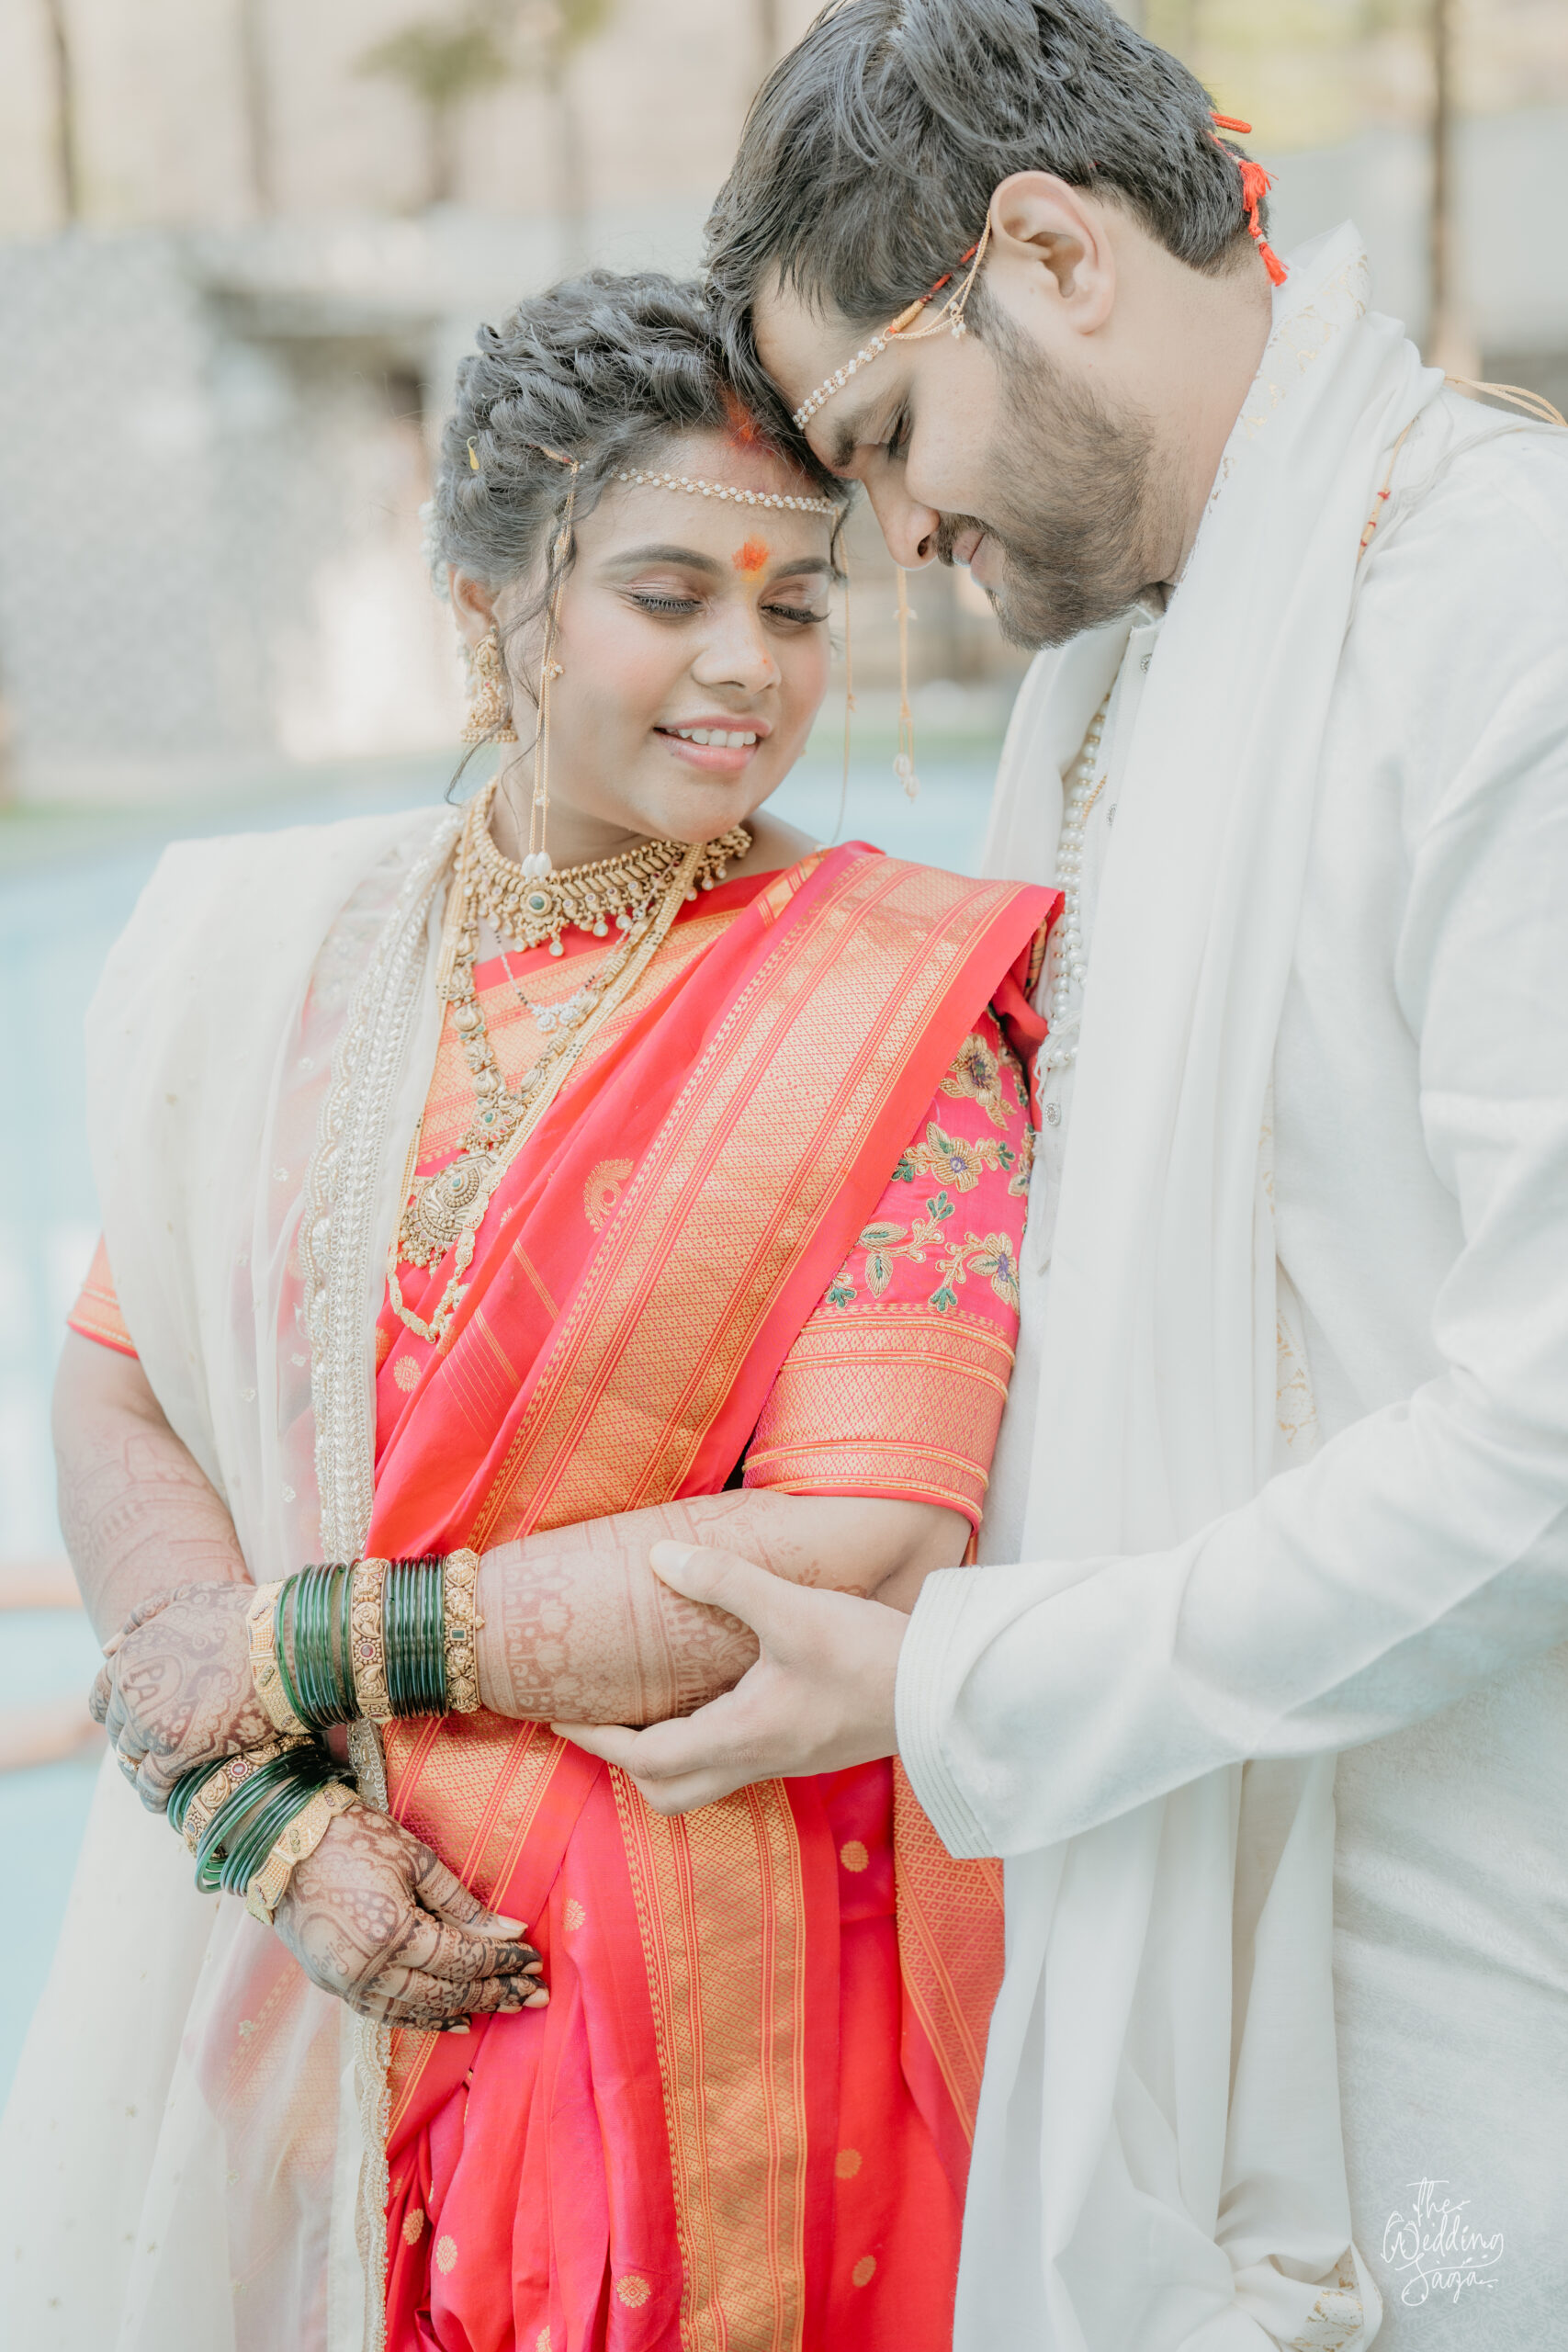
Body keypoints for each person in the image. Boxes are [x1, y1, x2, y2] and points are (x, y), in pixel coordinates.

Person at [560, 6, 1568, 2349]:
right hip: (1164, 1901)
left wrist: (964, 1676)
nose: (898, 532)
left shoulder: (1498, 611)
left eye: (884, 435)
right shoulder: (1097, 699)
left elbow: (1546, 1432)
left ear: (1047, 251)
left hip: (1473, 1945)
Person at [0, 271, 1054, 2351]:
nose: (747, 666)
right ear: (489, 601)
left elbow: (857, 1542)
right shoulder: (285, 958)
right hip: (318, 1968)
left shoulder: (887, 1006)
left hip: (712, 2021)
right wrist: (263, 1821)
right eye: (668, 595)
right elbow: (128, 1387)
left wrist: (297, 1649)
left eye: (798, 604)